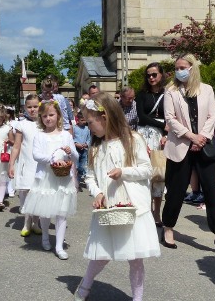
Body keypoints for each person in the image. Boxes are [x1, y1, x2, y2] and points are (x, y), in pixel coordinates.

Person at [74, 92, 160, 301]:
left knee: (136, 258)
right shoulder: (96, 147)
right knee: (101, 254)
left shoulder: (133, 139)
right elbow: (91, 176)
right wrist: (98, 192)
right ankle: (84, 287)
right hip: (108, 208)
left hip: (133, 207)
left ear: (106, 117)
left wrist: (124, 171)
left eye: (92, 121)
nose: (89, 126)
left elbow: (147, 170)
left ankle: (137, 298)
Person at [161, 53, 215, 255]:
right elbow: (170, 119)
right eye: (176, 67)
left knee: (212, 192)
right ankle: (168, 228)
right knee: (176, 190)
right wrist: (191, 136)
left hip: (204, 146)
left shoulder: (206, 89)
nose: (178, 71)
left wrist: (203, 138)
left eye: (182, 67)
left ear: (192, 68)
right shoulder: (171, 90)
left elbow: (212, 115)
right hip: (181, 145)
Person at [21, 100, 78, 260]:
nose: (48, 118)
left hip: (62, 178)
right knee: (45, 211)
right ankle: (45, 236)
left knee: (61, 212)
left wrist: (69, 152)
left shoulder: (66, 135)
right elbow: (36, 154)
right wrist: (52, 159)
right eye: (44, 116)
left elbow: (75, 155)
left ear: (58, 116)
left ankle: (59, 246)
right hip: (45, 176)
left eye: (51, 115)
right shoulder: (40, 135)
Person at [135, 62, 168, 226]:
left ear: (161, 75)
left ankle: (157, 213)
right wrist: (163, 126)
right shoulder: (141, 94)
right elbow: (141, 116)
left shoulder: (169, 93)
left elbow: (172, 116)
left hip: (162, 138)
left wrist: (167, 134)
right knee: (145, 174)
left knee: (159, 174)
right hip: (145, 136)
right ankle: (144, 211)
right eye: (148, 75)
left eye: (154, 74)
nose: (151, 78)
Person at [8, 94, 41, 237]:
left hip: (40, 164)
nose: (32, 109)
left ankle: (36, 222)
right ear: (25, 108)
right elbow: (16, 146)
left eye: (35, 106)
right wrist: (11, 164)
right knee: (27, 192)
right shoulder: (21, 124)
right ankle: (27, 222)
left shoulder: (45, 122)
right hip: (27, 163)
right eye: (29, 107)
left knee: (39, 193)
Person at [73, 112, 91, 188]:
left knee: (82, 167)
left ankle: (79, 182)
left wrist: (86, 144)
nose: (84, 122)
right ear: (78, 120)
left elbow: (89, 138)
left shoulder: (87, 129)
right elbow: (72, 138)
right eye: (82, 120)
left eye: (85, 120)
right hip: (76, 150)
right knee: (76, 166)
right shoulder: (74, 128)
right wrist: (76, 143)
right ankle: (75, 183)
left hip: (84, 150)